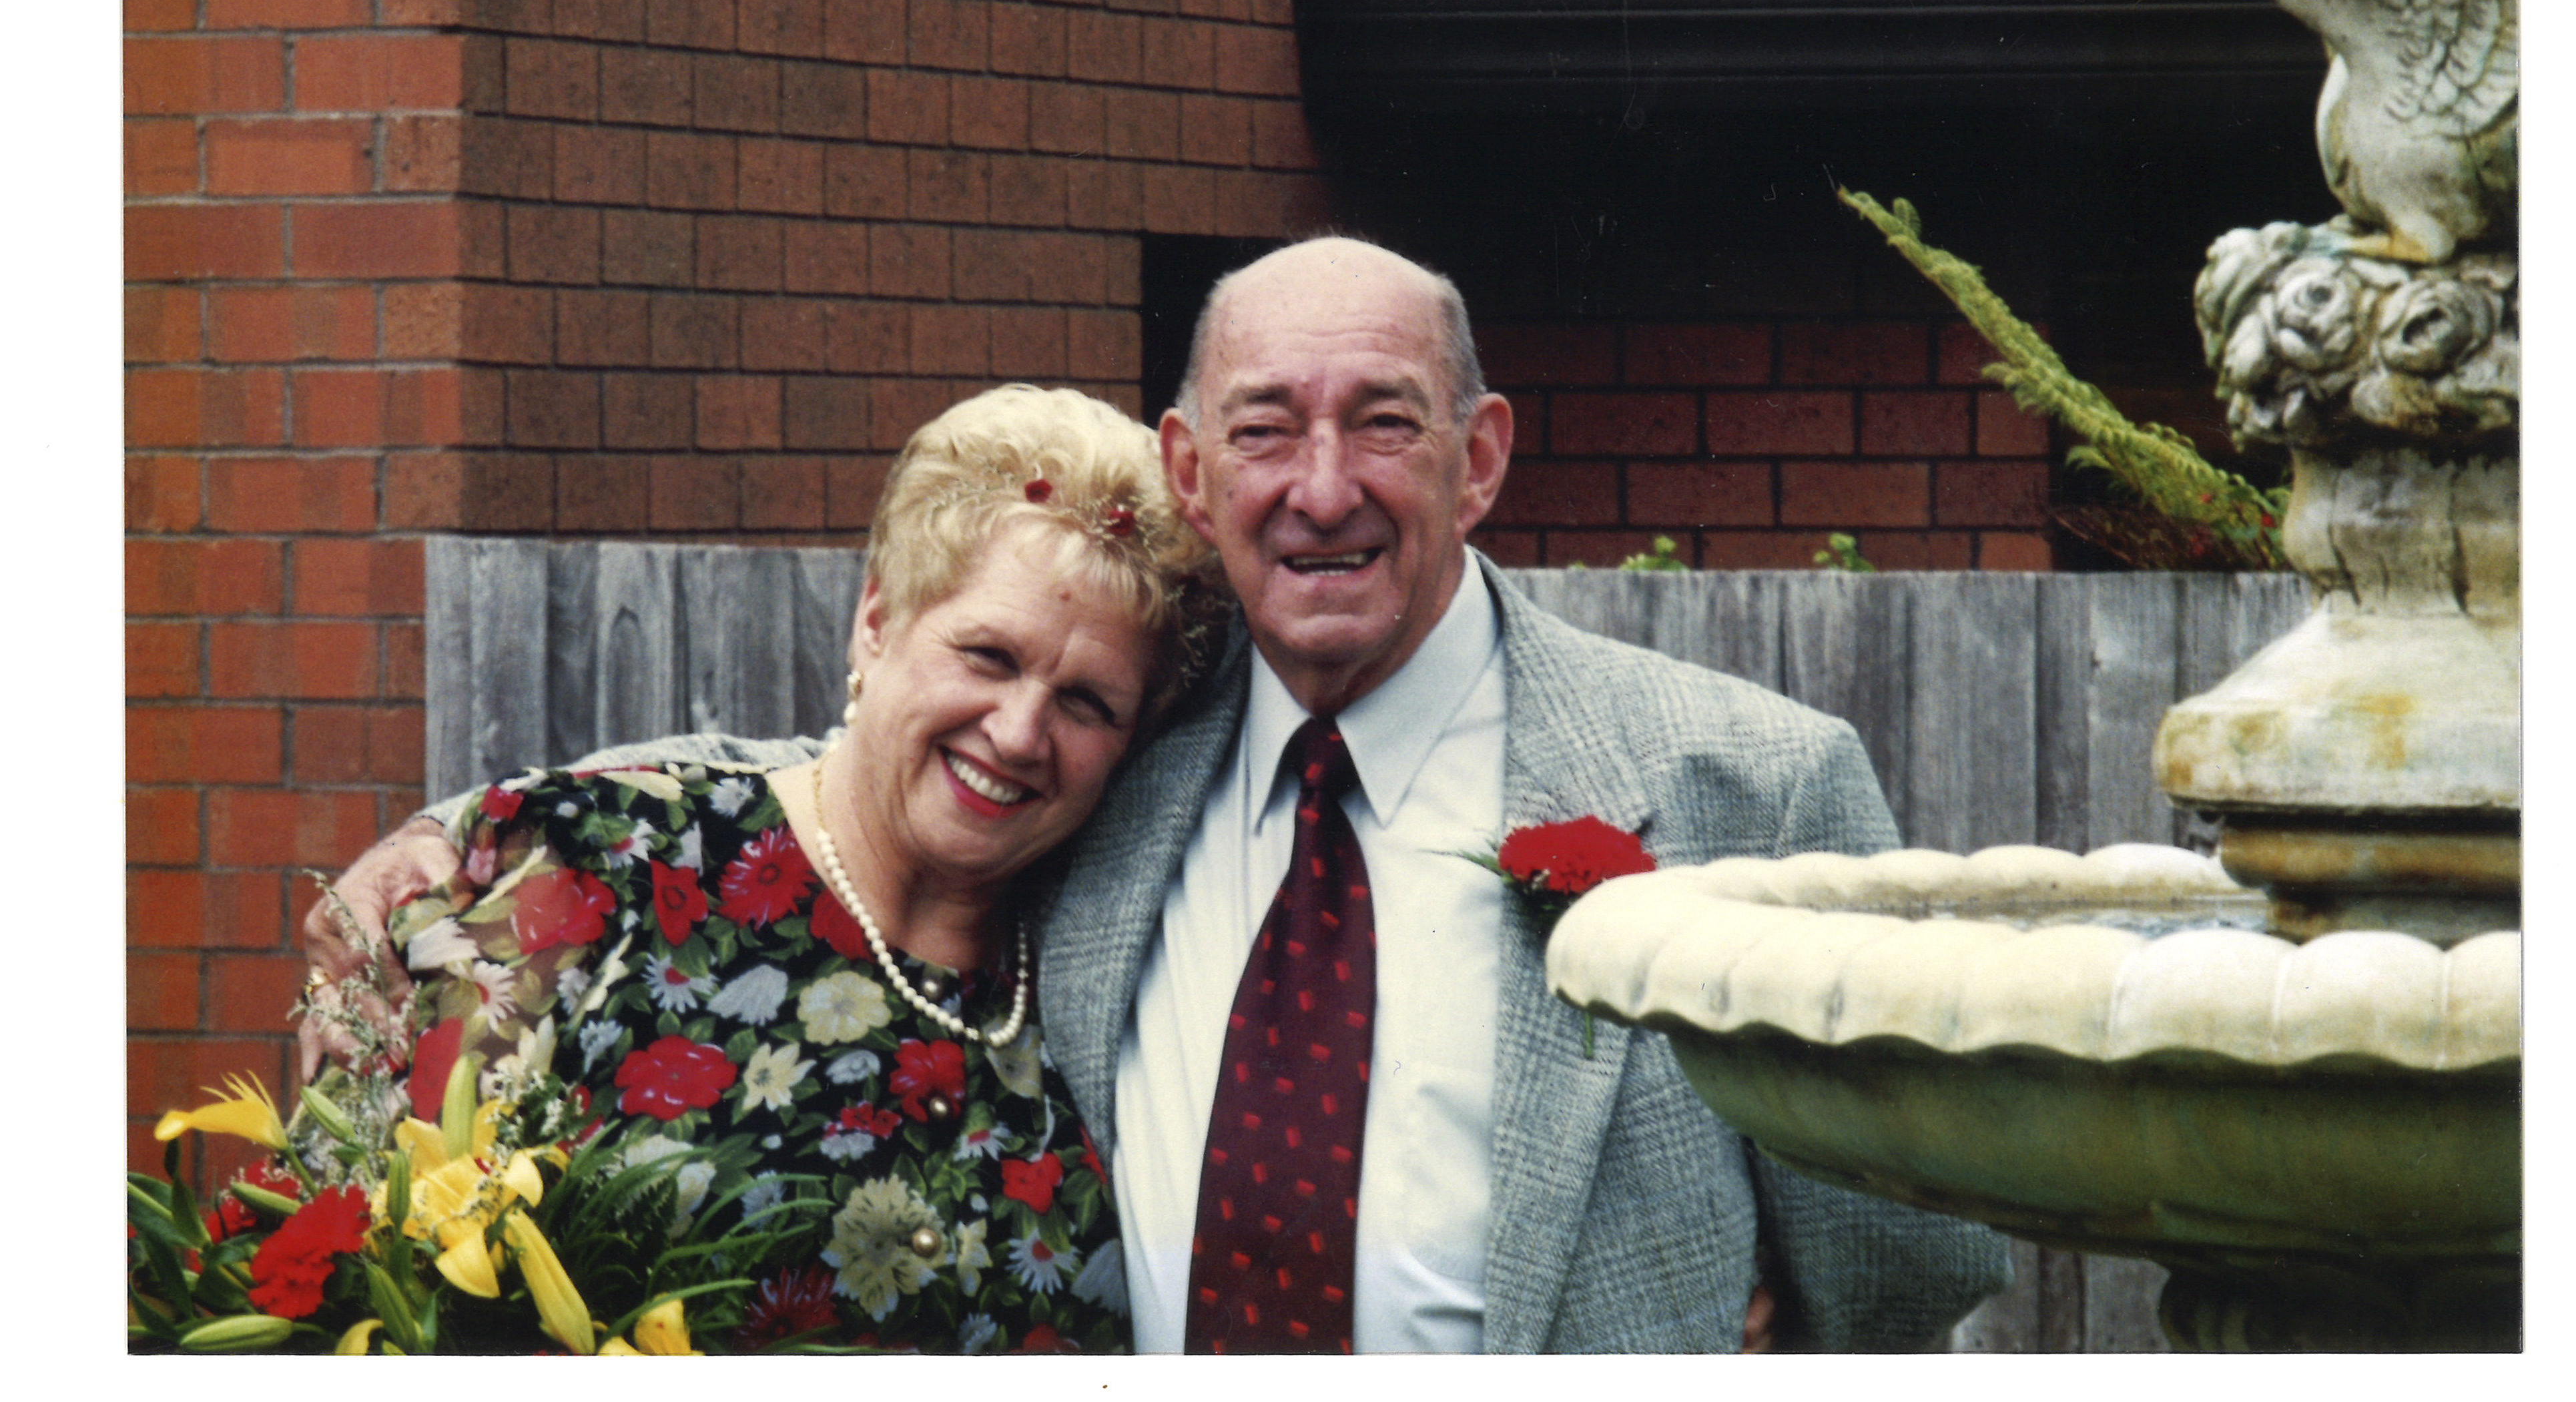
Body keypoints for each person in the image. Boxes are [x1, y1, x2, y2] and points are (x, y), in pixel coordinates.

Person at [313, 239, 2009, 1353]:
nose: (1323, 487)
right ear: (1192, 471)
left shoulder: (1741, 783)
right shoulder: (1129, 770)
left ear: (1480, 457)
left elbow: (1909, 1273)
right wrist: (487, 842)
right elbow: (890, 787)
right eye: (1266, 427)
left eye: (1385, 425)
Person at [310, 384, 1219, 1352]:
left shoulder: (1117, 971)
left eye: (1087, 704)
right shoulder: (592, 867)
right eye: (989, 656)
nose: (1021, 731)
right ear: (876, 619)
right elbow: (338, 1265)